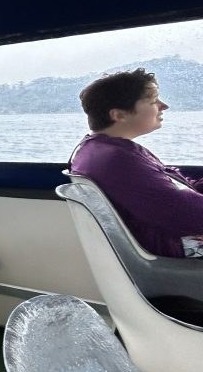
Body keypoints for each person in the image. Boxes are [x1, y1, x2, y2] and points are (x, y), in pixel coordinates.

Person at [70, 67, 203, 258]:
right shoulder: (116, 160)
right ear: (119, 115)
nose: (164, 106)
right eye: (153, 101)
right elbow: (185, 214)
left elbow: (174, 187)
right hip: (169, 246)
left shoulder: (101, 149)